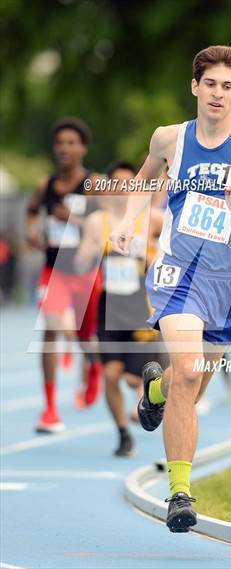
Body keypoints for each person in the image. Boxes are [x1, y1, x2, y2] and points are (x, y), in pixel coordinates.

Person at [110, 45, 231, 532]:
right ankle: (180, 493)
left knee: (186, 387)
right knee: (189, 370)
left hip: (226, 283)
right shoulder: (169, 138)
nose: (218, 93)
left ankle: (155, 386)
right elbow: (142, 181)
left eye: (227, 86)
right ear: (195, 86)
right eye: (209, 83)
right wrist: (129, 223)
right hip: (175, 273)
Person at [75, 161, 165, 456]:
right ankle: (123, 435)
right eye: (118, 183)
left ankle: (147, 399)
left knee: (132, 377)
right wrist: (86, 255)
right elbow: (79, 260)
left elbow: (173, 244)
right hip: (109, 308)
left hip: (142, 307)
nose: (124, 189)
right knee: (111, 375)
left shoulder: (150, 218)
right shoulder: (97, 221)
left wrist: (158, 254)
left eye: (131, 183)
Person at [26, 117, 102, 433]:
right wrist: (32, 232)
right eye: (60, 143)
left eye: (72, 143)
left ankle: (94, 366)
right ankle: (49, 408)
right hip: (53, 270)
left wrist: (77, 220)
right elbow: (31, 211)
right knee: (51, 331)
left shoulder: (94, 184)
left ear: (82, 147)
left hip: (85, 273)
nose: (65, 149)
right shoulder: (46, 185)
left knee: (84, 337)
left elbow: (109, 222)